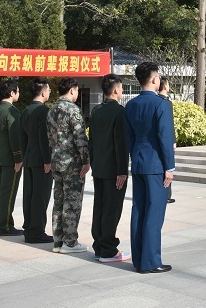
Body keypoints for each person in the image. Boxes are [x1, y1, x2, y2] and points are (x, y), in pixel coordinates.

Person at [125, 62, 175, 274]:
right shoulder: (161, 104)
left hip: (138, 162)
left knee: (139, 211)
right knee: (154, 214)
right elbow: (165, 138)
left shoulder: (130, 105)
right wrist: (169, 167)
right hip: (155, 165)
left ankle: (139, 259)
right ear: (154, 79)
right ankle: (151, 261)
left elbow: (129, 138)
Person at [88, 74, 130, 262]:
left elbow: (92, 141)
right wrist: (122, 170)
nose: (121, 91)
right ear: (115, 90)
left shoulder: (96, 111)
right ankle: (108, 250)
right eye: (121, 88)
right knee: (112, 209)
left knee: (100, 206)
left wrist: (93, 162)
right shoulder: (119, 112)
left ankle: (99, 245)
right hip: (114, 169)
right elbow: (121, 143)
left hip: (99, 167)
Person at [46, 77, 90, 253]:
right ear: (72, 90)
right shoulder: (73, 110)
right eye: (77, 90)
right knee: (72, 203)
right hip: (72, 163)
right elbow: (80, 138)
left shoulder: (51, 111)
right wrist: (86, 160)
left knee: (59, 201)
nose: (77, 94)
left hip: (56, 161)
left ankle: (57, 241)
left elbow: (50, 138)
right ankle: (70, 242)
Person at [20, 78, 54, 244]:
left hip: (29, 157)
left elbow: (22, 137)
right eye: (48, 90)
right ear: (42, 92)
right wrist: (48, 160)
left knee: (30, 195)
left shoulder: (26, 111)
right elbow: (44, 138)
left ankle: (29, 228)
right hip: (41, 160)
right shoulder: (43, 111)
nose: (49, 93)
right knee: (41, 196)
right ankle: (37, 231)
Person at [0, 79, 23, 236]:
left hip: (0, 155)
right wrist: (18, 158)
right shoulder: (12, 111)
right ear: (11, 93)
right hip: (10, 158)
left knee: (0, 191)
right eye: (17, 91)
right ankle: (5, 225)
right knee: (8, 192)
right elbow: (14, 137)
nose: (18, 93)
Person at [158, 76, 176, 205]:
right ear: (164, 86)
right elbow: (168, 125)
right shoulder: (164, 102)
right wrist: (173, 141)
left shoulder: (160, 101)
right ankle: (166, 194)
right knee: (167, 167)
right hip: (165, 141)